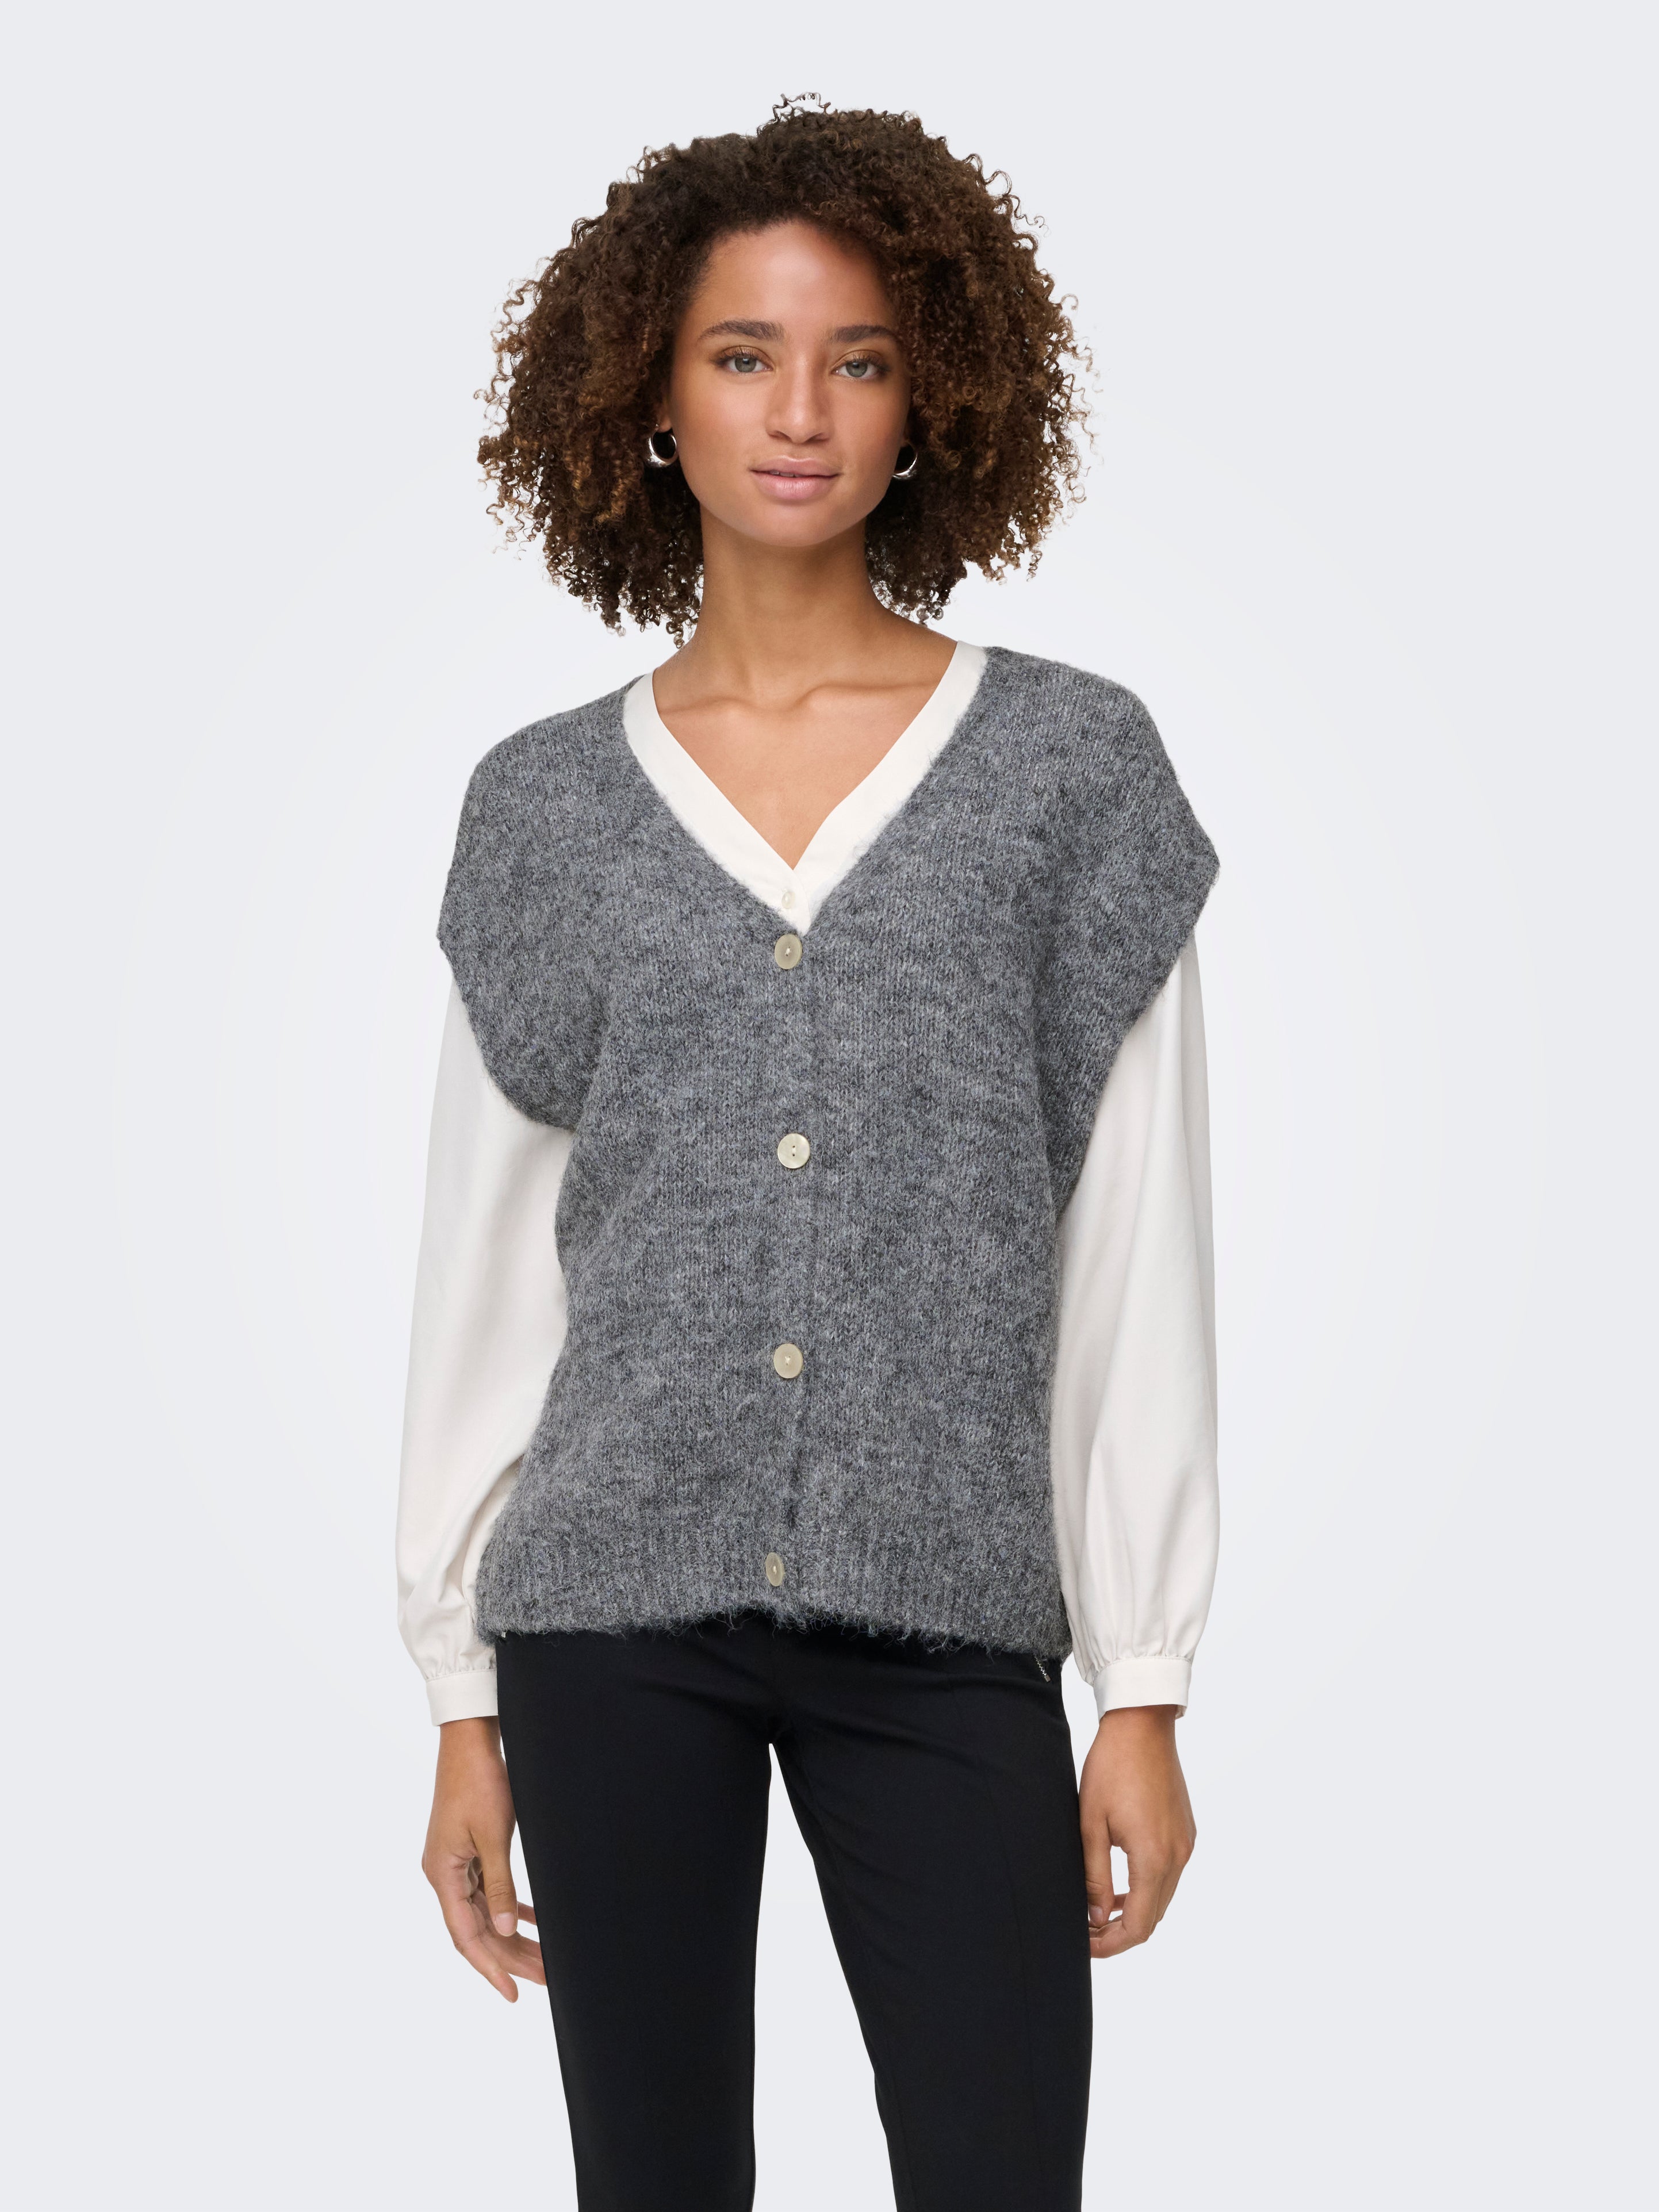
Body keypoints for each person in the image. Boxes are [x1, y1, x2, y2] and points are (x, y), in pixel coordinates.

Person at [396, 98, 1220, 2212]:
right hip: (606, 1622)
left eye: (859, 359)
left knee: (998, 2168)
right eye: (744, 355)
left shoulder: (1072, 774)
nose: (800, 412)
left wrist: (1141, 1679)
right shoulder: (541, 809)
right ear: (650, 399)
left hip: (951, 1611)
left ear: (933, 397)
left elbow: (1136, 1238)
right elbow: (488, 1260)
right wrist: (462, 1692)